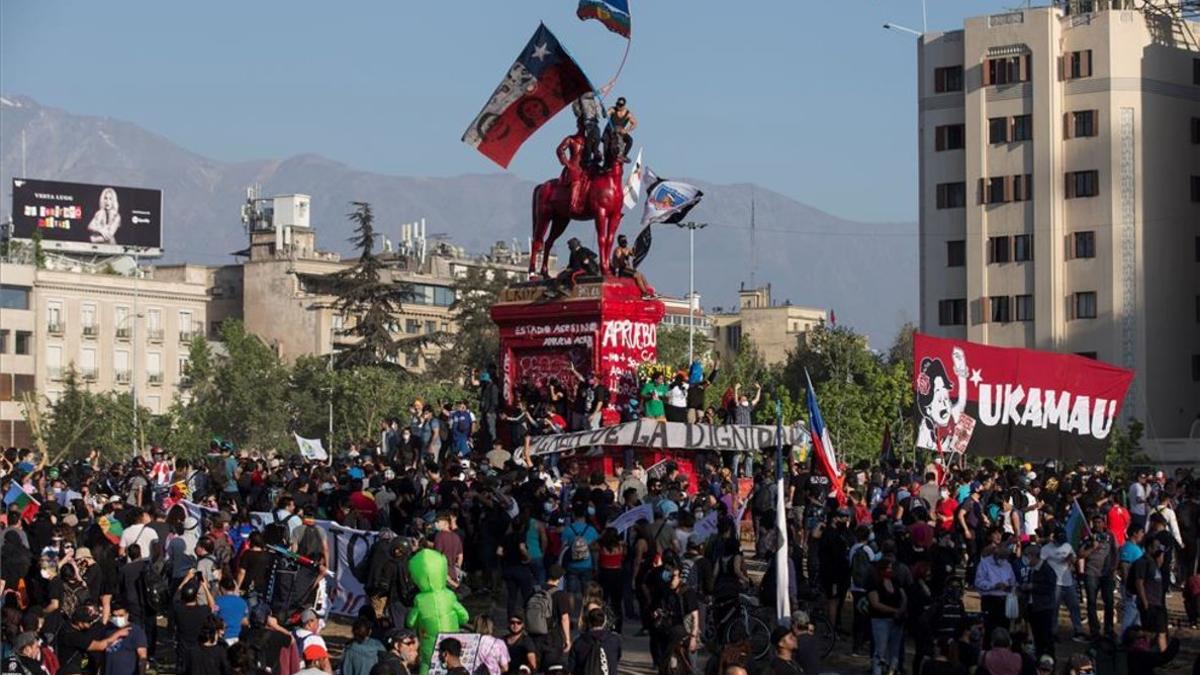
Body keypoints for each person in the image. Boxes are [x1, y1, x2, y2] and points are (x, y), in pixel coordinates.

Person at [59, 604, 130, 675]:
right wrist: (118, 634)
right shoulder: (73, 636)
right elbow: (100, 646)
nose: (92, 623)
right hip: (70, 670)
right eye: (89, 622)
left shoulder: (68, 626)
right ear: (79, 623)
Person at [1080, 512, 1117, 639]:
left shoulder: (1110, 536)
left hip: (1106, 573)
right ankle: (1094, 630)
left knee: (1109, 601)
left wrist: (1114, 568)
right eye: (1095, 522)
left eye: (1099, 522)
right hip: (1091, 572)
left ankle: (1109, 629)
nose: (1097, 525)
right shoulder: (1088, 537)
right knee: (1091, 602)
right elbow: (1081, 554)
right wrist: (1092, 548)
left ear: (1104, 523)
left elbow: (1115, 552)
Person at [867, 558, 907, 675]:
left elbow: (903, 596)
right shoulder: (874, 583)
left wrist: (902, 609)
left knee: (895, 652)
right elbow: (875, 603)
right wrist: (894, 610)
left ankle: (892, 671)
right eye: (888, 568)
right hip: (880, 620)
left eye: (891, 568)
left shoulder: (895, 581)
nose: (890, 570)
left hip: (896, 621)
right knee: (880, 651)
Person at [567, 607, 621, 675]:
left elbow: (571, 667)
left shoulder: (579, 642)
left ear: (588, 622)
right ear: (604, 622)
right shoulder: (614, 640)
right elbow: (617, 658)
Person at [102, 605, 148, 675]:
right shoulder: (107, 630)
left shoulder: (136, 631)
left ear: (127, 614)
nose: (118, 619)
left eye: (121, 616)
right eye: (115, 616)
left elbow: (142, 656)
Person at [605, 97, 636, 163]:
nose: (618, 106)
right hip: (611, 131)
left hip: (620, 132)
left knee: (630, 140)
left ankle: (623, 155)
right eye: (617, 104)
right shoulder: (613, 109)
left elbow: (634, 123)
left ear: (624, 106)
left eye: (620, 105)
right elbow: (607, 113)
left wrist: (626, 130)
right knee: (606, 146)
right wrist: (605, 113)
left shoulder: (628, 114)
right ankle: (606, 163)